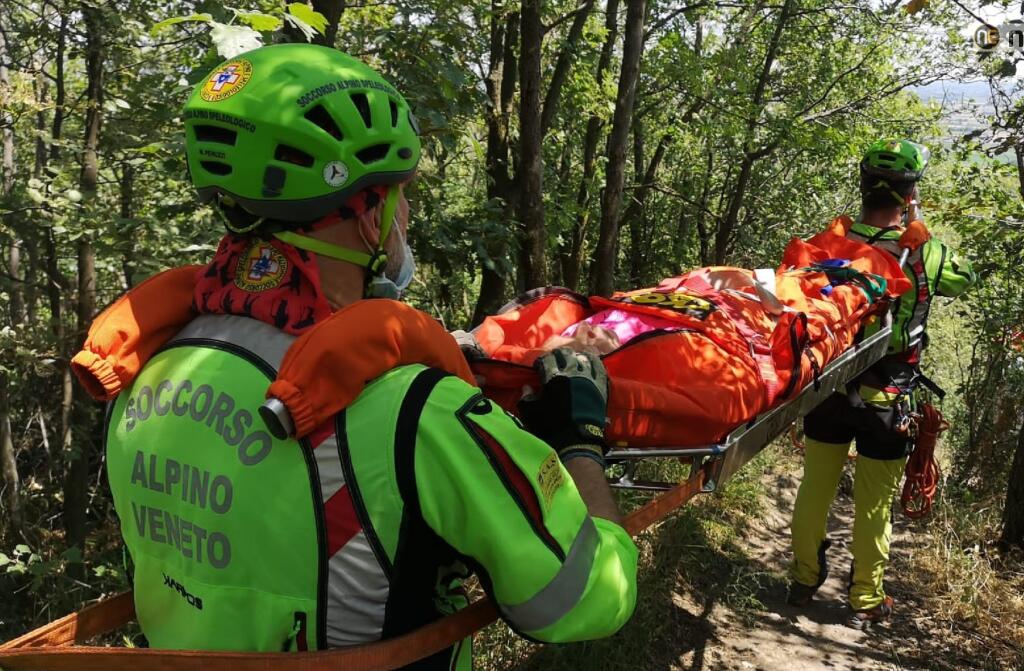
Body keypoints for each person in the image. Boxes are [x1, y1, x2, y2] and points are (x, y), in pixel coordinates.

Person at [101, 44, 637, 666]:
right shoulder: (414, 412)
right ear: (368, 217)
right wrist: (579, 442)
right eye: (400, 195)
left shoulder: (145, 368)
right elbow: (586, 600)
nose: (405, 214)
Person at [788, 139, 977, 629]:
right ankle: (864, 600)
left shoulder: (825, 243)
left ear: (863, 186)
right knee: (874, 505)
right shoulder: (926, 252)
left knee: (816, 488)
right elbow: (964, 279)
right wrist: (921, 234)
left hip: (827, 387)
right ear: (909, 194)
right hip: (888, 395)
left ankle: (803, 579)